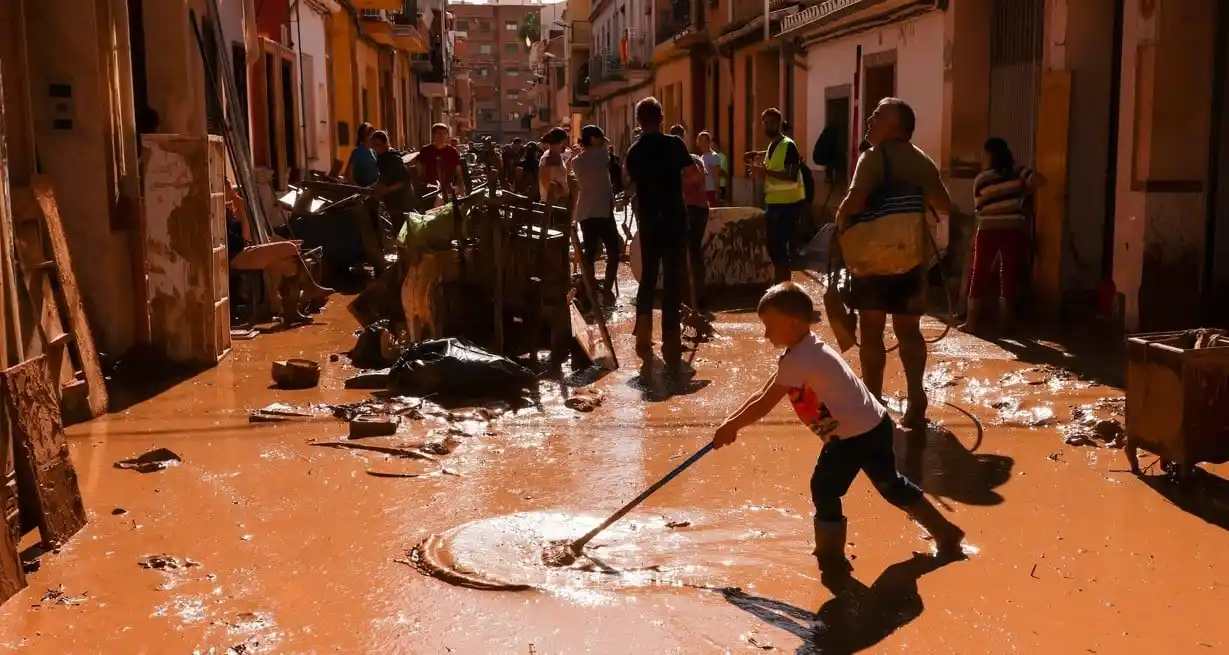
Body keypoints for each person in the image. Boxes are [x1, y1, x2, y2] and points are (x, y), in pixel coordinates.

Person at [713, 282, 965, 582]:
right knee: (890, 484)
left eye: (770, 326)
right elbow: (762, 393)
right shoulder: (807, 347)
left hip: (850, 437)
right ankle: (945, 532)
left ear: (793, 323)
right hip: (875, 423)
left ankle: (831, 557)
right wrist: (729, 423)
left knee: (824, 489)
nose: (766, 335)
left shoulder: (799, 359)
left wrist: (731, 427)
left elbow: (765, 404)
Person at [835, 97, 952, 429]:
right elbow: (943, 205)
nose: (870, 118)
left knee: (871, 331)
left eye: (879, 115)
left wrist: (839, 225)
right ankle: (916, 398)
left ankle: (872, 402)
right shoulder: (921, 161)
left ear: (897, 126)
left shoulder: (872, 158)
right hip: (912, 257)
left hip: (872, 260)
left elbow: (855, 200)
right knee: (909, 330)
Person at [624, 97, 704, 369]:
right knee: (673, 277)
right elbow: (694, 176)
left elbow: (628, 180)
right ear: (661, 118)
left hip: (648, 219)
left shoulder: (634, 150)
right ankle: (670, 339)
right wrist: (673, 179)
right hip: (673, 218)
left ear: (638, 121)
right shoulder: (675, 144)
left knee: (648, 276)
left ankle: (643, 338)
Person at [962, 137, 1047, 333]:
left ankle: (972, 323)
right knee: (1008, 273)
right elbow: (1041, 180)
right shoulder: (1019, 172)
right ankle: (1006, 323)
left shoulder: (982, 179)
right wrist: (1024, 190)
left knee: (979, 272)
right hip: (1013, 227)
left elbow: (979, 207)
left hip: (987, 228)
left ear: (988, 155)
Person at [226, 184, 333, 324]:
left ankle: (291, 312)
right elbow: (245, 237)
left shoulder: (229, 210)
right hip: (234, 256)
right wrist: (242, 207)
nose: (232, 191)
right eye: (228, 187)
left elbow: (249, 235)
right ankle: (309, 287)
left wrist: (240, 208)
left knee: (288, 265)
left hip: (246, 250)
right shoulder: (219, 212)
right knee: (289, 247)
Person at [749, 109, 805, 282]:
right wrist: (758, 156)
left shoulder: (789, 145)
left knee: (781, 252)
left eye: (771, 122)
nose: (768, 126)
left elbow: (791, 174)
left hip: (787, 206)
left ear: (779, 123)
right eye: (765, 123)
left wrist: (765, 171)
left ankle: (785, 290)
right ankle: (779, 287)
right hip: (773, 204)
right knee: (774, 250)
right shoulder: (773, 145)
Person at [568, 125, 622, 295]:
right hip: (602, 211)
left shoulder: (577, 161)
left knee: (590, 253)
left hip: (585, 212)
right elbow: (610, 157)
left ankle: (590, 286)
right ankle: (606, 288)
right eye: (599, 139)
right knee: (614, 250)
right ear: (593, 139)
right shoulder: (602, 155)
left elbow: (571, 165)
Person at [670, 124, 711, 308]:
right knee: (693, 253)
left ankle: (689, 297)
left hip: (691, 210)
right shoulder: (694, 159)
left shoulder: (687, 161)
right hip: (698, 209)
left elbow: (695, 181)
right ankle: (695, 296)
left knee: (687, 253)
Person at [370, 130, 412, 240]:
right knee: (396, 228)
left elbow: (403, 181)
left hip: (401, 198)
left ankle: (406, 254)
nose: (375, 148)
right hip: (392, 199)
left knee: (402, 229)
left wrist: (386, 190)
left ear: (385, 144)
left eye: (378, 145)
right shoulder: (382, 158)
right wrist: (372, 187)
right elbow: (384, 177)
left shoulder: (393, 158)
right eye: (373, 146)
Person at [416, 123, 463, 202]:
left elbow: (459, 172)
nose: (442, 136)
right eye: (439, 133)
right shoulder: (426, 150)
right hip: (430, 190)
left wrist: (459, 187)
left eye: (444, 133)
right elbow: (419, 171)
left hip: (449, 189)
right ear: (433, 135)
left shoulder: (452, 151)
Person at [539, 127, 571, 206]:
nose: (567, 145)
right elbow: (547, 185)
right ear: (562, 141)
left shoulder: (552, 156)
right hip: (554, 206)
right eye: (566, 141)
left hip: (555, 203)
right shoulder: (551, 159)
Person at [342, 122, 379, 187]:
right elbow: (348, 175)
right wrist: (359, 189)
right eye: (369, 135)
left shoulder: (374, 151)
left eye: (372, 135)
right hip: (363, 190)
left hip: (374, 189)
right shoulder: (357, 152)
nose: (371, 138)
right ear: (363, 136)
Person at [697, 131, 726, 207]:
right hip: (703, 191)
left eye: (704, 141)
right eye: (700, 141)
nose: (701, 144)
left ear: (709, 142)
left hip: (711, 191)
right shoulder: (702, 156)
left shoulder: (714, 157)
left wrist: (716, 195)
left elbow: (716, 177)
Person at [712, 136, 731, 204]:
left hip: (721, 184)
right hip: (713, 185)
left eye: (713, 145)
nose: (711, 147)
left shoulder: (722, 157)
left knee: (721, 203)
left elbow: (721, 171)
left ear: (717, 145)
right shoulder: (712, 156)